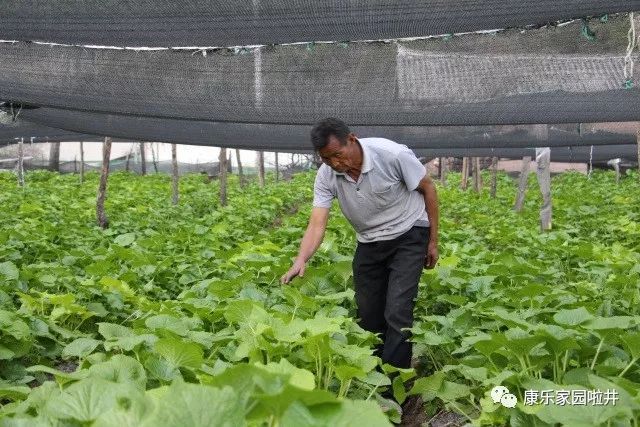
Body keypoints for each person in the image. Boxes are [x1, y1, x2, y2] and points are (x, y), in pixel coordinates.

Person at [281, 117, 439, 369]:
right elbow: (317, 223)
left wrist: (432, 241)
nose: (335, 163)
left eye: (338, 154)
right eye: (326, 158)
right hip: (369, 241)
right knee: (368, 315)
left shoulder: (391, 155)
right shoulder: (327, 176)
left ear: (352, 139)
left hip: (408, 233)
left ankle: (394, 386)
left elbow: (429, 189)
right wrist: (301, 258)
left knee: (397, 311)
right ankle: (372, 374)